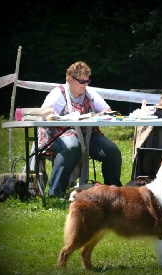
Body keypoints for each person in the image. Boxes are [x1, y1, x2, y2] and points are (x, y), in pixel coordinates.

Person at [38, 61, 123, 198]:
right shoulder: (58, 93)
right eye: (81, 81)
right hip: (60, 133)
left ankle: (114, 193)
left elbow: (107, 110)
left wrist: (99, 115)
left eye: (87, 81)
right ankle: (55, 193)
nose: (85, 85)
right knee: (72, 146)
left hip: (88, 134)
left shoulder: (90, 93)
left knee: (112, 151)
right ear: (70, 79)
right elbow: (44, 114)